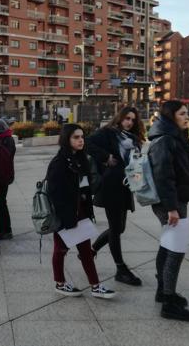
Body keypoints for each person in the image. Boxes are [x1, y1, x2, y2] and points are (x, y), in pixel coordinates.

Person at [47, 123, 116, 299]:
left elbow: (87, 186)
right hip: (66, 215)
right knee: (60, 250)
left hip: (81, 212)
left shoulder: (81, 158)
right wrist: (66, 217)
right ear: (66, 139)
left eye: (82, 137)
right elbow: (54, 193)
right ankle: (60, 283)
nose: (80, 140)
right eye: (76, 137)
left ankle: (95, 286)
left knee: (85, 251)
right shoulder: (59, 163)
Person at [148, 100, 189, 322]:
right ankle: (168, 303)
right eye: (183, 114)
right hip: (170, 202)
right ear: (171, 116)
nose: (187, 117)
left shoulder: (175, 135)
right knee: (176, 250)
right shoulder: (165, 139)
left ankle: (163, 291)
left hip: (176, 199)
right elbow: (163, 175)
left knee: (168, 246)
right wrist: (171, 208)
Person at [86, 106, 145, 286]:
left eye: (133, 120)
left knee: (119, 228)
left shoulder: (133, 139)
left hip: (125, 187)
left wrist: (137, 180)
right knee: (115, 227)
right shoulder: (108, 133)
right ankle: (121, 269)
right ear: (119, 118)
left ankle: (90, 251)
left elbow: (136, 162)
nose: (129, 122)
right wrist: (106, 157)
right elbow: (87, 143)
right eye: (127, 118)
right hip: (111, 186)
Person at [0, 118, 16, 240]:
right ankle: (4, 229)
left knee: (0, 203)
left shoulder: (2, 140)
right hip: (6, 176)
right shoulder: (9, 138)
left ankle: (5, 230)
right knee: (1, 202)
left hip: (1, 177)